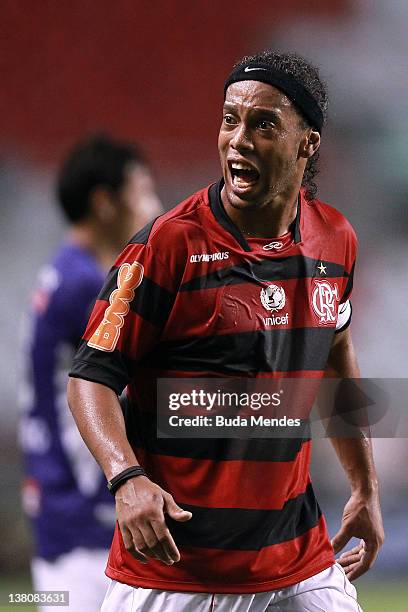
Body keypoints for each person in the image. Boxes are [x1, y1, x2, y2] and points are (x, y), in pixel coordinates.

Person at [67, 52, 384, 611]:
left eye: (263, 124)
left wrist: (364, 487)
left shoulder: (335, 239)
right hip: (178, 571)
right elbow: (89, 378)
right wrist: (127, 479)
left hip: (298, 560)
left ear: (307, 143)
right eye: (230, 119)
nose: (238, 139)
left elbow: (336, 356)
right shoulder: (165, 247)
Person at [19, 134, 162, 611]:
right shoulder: (87, 288)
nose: (154, 206)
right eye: (142, 190)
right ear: (104, 203)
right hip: (87, 519)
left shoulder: (65, 274)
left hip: (65, 512)